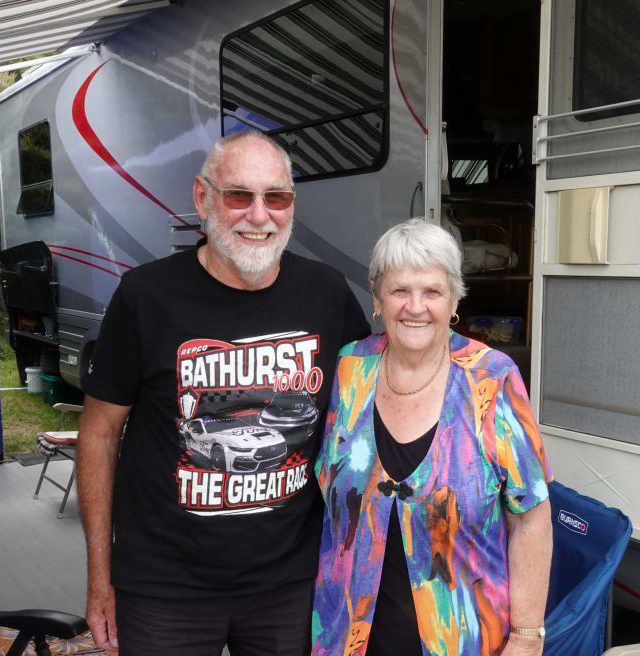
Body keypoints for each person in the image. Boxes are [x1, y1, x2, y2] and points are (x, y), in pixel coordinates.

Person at [76, 130, 370, 655]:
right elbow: (99, 434)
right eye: (240, 195)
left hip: (290, 582)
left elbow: (371, 404)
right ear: (202, 197)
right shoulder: (145, 296)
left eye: (276, 197)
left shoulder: (326, 292)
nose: (260, 215)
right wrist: (101, 576)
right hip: (164, 586)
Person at [312, 219, 554, 656]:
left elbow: (531, 517)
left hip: (465, 639)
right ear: (377, 297)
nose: (415, 307)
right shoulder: (349, 369)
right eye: (400, 290)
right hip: (348, 633)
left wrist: (527, 635)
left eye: (432, 292)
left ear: (455, 298)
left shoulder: (493, 379)